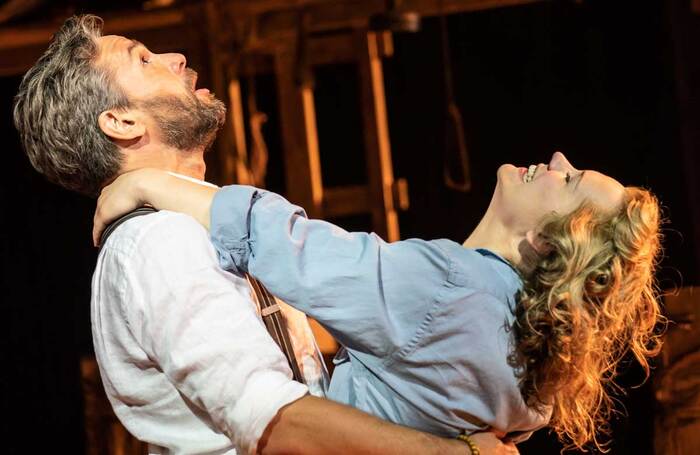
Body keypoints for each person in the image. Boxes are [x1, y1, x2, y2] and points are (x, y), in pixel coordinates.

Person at [13, 14, 515, 455]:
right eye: (144, 60)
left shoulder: (193, 226)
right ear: (120, 121)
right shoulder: (158, 243)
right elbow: (274, 424)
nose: (176, 57)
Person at [92, 151, 664, 451]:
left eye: (568, 182)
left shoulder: (453, 287)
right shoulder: (532, 368)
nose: (557, 160)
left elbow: (290, 245)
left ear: (547, 241)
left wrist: (146, 185)